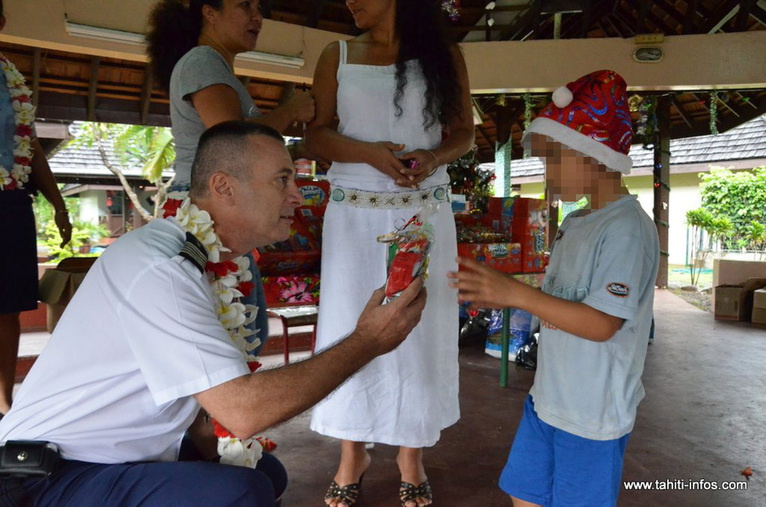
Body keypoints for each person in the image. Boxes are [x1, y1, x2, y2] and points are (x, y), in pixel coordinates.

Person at [0, 121, 427, 506]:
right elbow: (242, 413)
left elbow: (209, 413)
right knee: (241, 491)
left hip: (117, 455)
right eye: (283, 179)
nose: (298, 195)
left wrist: (208, 445)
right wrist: (368, 341)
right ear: (224, 187)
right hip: (48, 477)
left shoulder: (203, 255)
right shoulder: (163, 268)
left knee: (261, 472)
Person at [448, 70, 660, 507]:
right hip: (549, 399)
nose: (545, 172)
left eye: (553, 158)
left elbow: (602, 323)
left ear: (593, 155)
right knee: (523, 495)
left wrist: (514, 294)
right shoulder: (575, 222)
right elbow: (560, 305)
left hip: (591, 413)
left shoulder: (626, 228)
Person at [304, 1, 474, 505]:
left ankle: (410, 452)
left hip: (423, 210)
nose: (349, 1)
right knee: (348, 325)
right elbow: (315, 135)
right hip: (353, 214)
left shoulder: (445, 55)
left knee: (418, 325)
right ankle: (352, 450)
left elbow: (464, 132)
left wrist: (434, 156)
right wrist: (369, 152)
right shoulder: (336, 54)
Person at [146, 0, 315, 354]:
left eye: (260, 7)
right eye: (244, 5)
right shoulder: (202, 61)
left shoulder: (212, 65)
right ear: (210, 11)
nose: (257, 16)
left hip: (214, 208)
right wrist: (291, 111)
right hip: (208, 211)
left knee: (238, 333)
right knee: (229, 341)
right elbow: (230, 140)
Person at [0, 0, 72, 417]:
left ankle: (4, 400)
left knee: (7, 308)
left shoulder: (9, 76)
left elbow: (31, 151)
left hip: (9, 204)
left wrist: (59, 205)